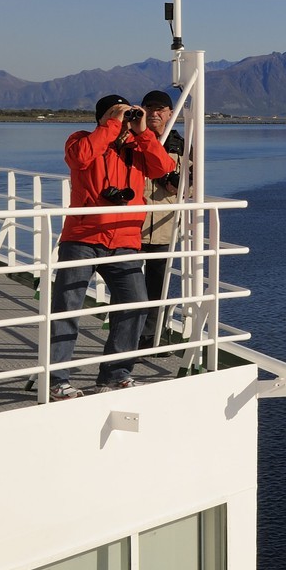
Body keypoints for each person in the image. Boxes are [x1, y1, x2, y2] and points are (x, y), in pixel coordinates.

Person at [48, 94, 176, 399]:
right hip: (82, 239)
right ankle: (56, 380)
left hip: (125, 241)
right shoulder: (81, 140)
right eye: (117, 115)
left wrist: (143, 132)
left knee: (135, 305)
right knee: (66, 309)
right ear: (103, 118)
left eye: (126, 115)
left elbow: (163, 168)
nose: (124, 122)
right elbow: (80, 159)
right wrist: (110, 125)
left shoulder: (136, 146)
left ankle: (115, 375)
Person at [138, 89, 188, 349]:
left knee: (158, 287)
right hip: (131, 226)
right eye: (150, 107)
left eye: (160, 109)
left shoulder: (179, 145)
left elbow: (191, 184)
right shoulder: (131, 140)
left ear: (170, 114)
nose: (154, 113)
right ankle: (126, 338)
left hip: (164, 227)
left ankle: (151, 338)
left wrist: (178, 183)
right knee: (129, 289)